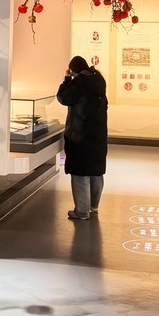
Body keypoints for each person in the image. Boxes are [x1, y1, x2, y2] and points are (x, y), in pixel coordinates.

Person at [56, 55, 108, 220]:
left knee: (80, 172)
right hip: (98, 134)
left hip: (80, 134)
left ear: (73, 71)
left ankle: (82, 211)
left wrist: (66, 80)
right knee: (96, 171)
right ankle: (93, 206)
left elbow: (62, 97)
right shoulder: (99, 80)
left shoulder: (79, 83)